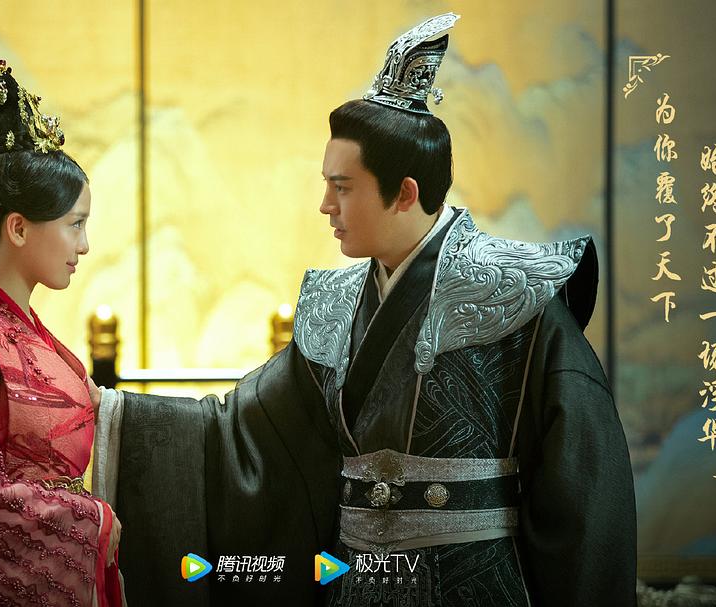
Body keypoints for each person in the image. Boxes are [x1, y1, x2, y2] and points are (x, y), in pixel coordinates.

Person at [93, 13, 636, 607]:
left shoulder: (515, 295)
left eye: (342, 186)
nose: (325, 205)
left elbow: (584, 489)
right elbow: (241, 433)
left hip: (475, 586)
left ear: (404, 192)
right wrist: (111, 414)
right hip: (354, 584)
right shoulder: (336, 303)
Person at [0, 54, 124, 607]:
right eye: (75, 225)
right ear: (18, 227)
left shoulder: (26, 331)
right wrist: (87, 519)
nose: (84, 245)